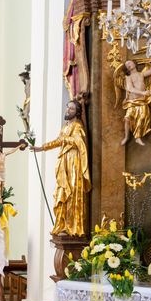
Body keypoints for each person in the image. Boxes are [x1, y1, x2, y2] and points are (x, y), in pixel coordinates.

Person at [32, 101, 90, 236]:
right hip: (64, 162)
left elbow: (79, 142)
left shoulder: (77, 126)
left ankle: (73, 227)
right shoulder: (66, 127)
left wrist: (66, 139)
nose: (68, 110)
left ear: (77, 112)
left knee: (72, 193)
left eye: (71, 108)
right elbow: (59, 140)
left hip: (74, 162)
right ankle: (63, 224)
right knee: (62, 192)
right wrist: (42, 148)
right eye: (68, 107)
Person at [119, 60, 151, 146]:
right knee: (127, 119)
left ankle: (137, 137)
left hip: (142, 101)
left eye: (129, 62)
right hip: (132, 101)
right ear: (126, 69)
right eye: (126, 65)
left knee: (142, 117)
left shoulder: (141, 74)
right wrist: (143, 93)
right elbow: (130, 88)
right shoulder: (128, 77)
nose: (128, 64)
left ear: (134, 63)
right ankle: (126, 137)